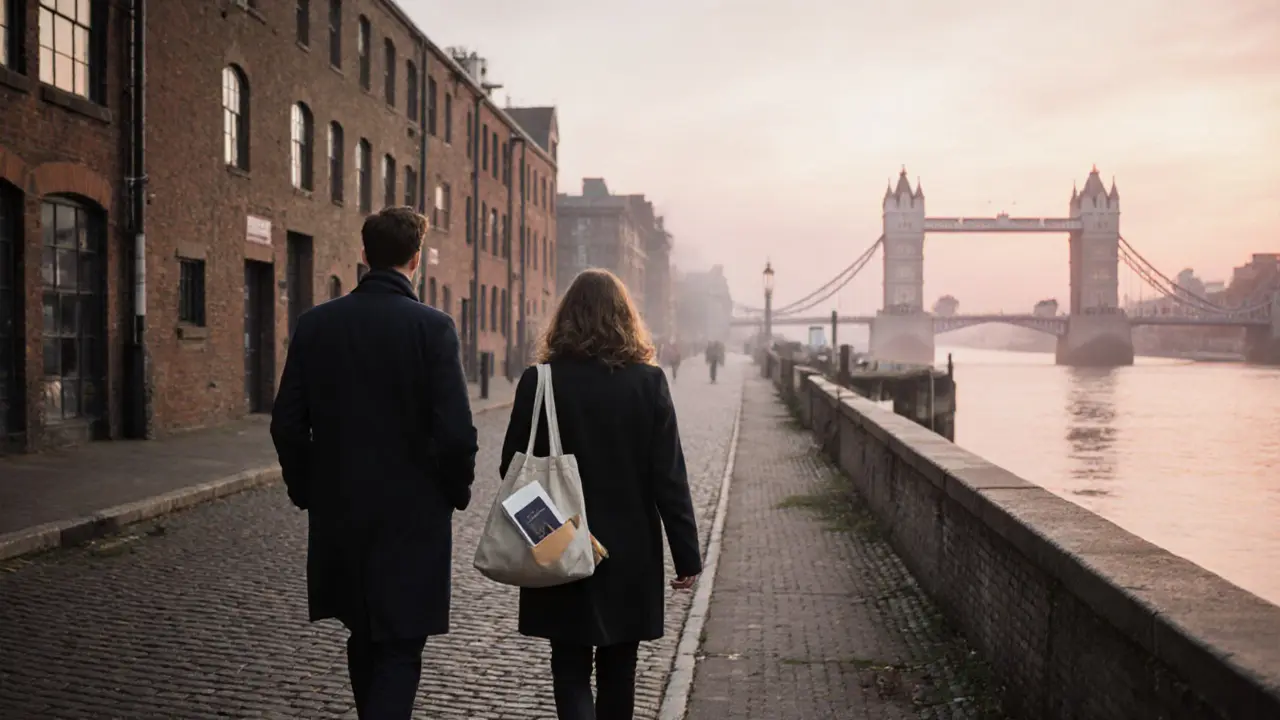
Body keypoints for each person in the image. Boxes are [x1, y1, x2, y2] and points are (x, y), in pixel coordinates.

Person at [271, 206, 478, 720]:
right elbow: (456, 433)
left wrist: (308, 489)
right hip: (412, 515)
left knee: (363, 633)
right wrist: (454, 492)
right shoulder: (434, 329)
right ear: (416, 260)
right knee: (400, 646)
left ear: (364, 255)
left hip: (341, 511)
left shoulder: (316, 324)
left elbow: (287, 424)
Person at [499, 269, 702, 720]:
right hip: (629, 550)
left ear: (566, 317)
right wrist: (686, 555)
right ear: (624, 318)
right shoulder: (649, 384)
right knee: (619, 668)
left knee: (569, 667)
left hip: (557, 543)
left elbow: (511, 473)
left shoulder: (541, 381)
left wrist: (551, 536)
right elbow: (668, 477)